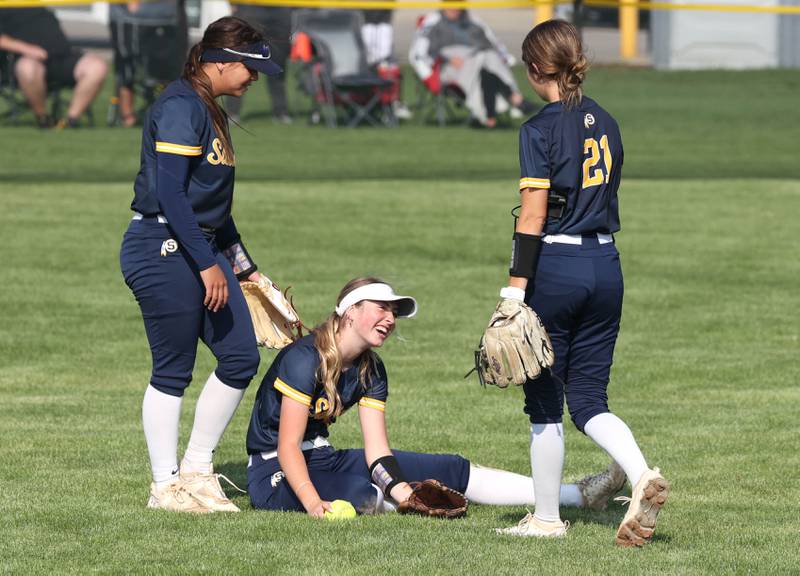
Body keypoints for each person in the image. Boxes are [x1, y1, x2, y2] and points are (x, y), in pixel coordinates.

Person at [494, 21, 669, 544]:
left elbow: (532, 217)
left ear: (533, 69)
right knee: (590, 398)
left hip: (559, 268)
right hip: (606, 265)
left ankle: (546, 519)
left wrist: (513, 292)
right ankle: (641, 475)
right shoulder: (609, 121)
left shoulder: (538, 129)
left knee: (544, 401)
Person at [246, 277, 625, 516]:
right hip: (272, 471)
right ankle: (383, 503)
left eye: (394, 312)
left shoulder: (371, 369)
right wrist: (313, 505)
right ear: (349, 313)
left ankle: (579, 496)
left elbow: (378, 451)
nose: (391, 319)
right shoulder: (303, 359)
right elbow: (288, 447)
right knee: (363, 495)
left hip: (323, 459)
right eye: (382, 308)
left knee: (451, 469)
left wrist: (401, 490)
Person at [119, 17, 283, 513]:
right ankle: (165, 486)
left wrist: (246, 269)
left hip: (198, 245)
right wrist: (206, 265)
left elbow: (213, 209)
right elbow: (169, 192)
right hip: (160, 245)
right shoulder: (179, 105)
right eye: (250, 68)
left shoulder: (208, 108)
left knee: (240, 358)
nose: (255, 77)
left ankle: (196, 470)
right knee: (173, 369)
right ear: (221, 62)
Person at [409, 4, 531, 128]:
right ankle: (514, 98)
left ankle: (490, 116)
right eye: (450, 4)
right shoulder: (433, 23)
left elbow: (490, 42)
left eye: (457, 4)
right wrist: (446, 59)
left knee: (489, 59)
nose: (454, 9)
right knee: (485, 62)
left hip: (477, 60)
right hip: (450, 67)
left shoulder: (472, 21)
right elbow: (422, 53)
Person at [0, 7, 108, 128]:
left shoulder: (37, 6)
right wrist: (27, 49)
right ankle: (44, 119)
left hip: (62, 57)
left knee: (97, 66)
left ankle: (70, 120)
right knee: (27, 67)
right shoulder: (4, 7)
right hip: (28, 61)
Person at [108, 0, 184, 127]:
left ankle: (165, 113)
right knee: (128, 71)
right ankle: (128, 118)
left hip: (166, 18)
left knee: (167, 72)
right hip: (129, 19)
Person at [226, 4, 294, 124]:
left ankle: (281, 112)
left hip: (280, 8)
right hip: (250, 6)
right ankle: (232, 113)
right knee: (241, 62)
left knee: (278, 64)